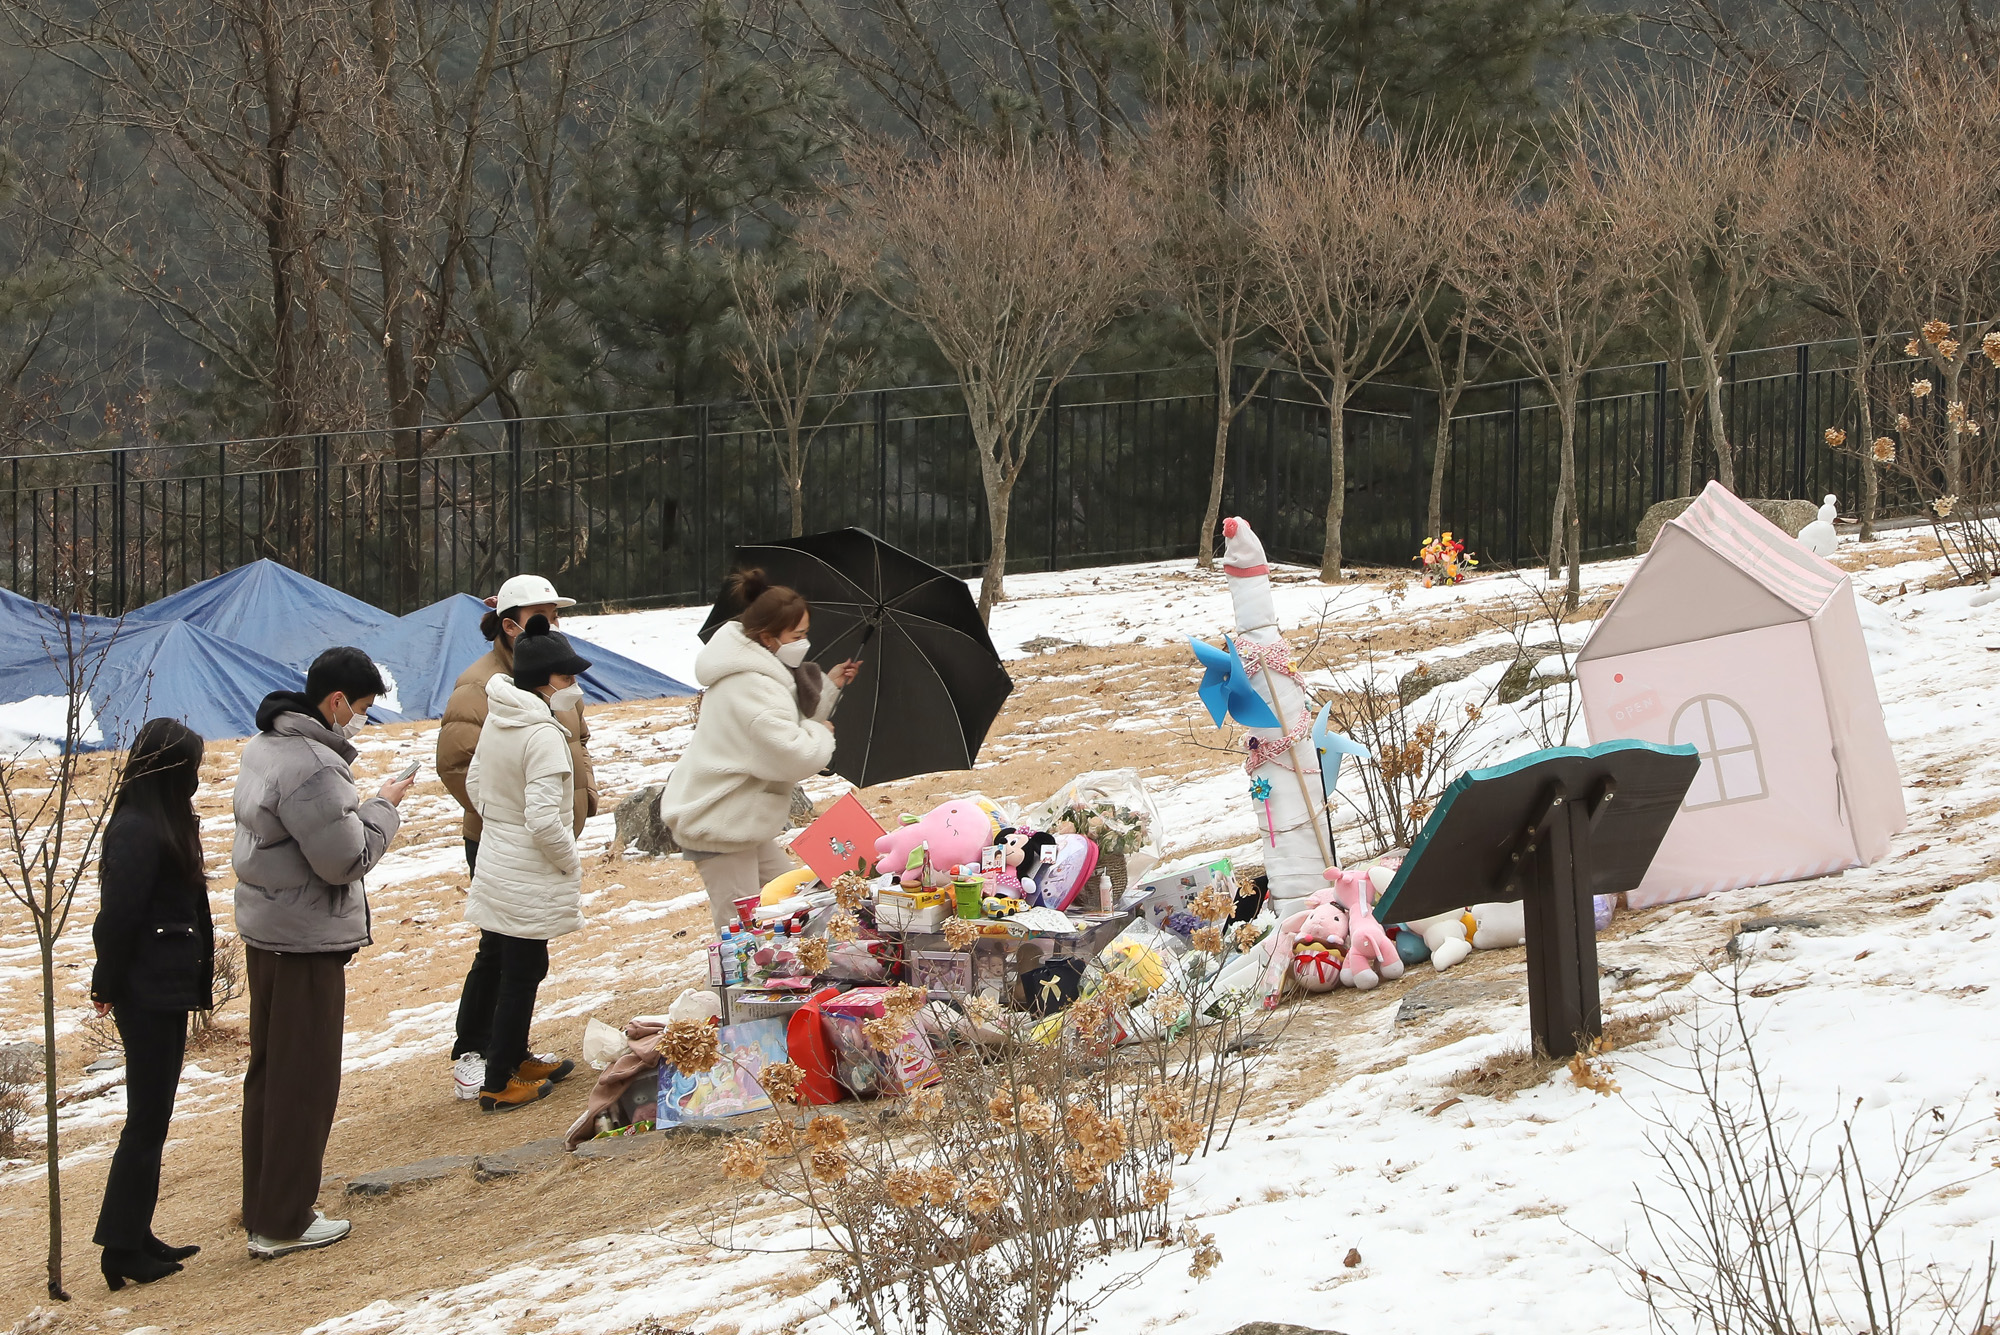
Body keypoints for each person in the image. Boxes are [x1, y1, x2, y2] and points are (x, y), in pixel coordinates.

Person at [232, 648, 411, 1260]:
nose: (361, 720)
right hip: (304, 938)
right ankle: (282, 1221)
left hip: (268, 930)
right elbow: (344, 860)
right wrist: (384, 807)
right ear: (335, 702)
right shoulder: (314, 766)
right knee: (303, 1080)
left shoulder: (265, 744)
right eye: (361, 709)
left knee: (271, 1073)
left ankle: (265, 1203)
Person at [437, 574, 599, 1100]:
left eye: (555, 615)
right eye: (541, 617)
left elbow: (579, 742)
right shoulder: (479, 684)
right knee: (501, 953)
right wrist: (507, 825)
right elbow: (459, 764)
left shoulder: (551, 676)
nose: (552, 624)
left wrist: (585, 795)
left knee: (523, 956)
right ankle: (479, 1055)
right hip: (509, 842)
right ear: (509, 624)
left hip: (534, 837)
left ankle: (512, 1053)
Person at [659, 570, 859, 932]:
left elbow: (785, 719)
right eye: (797, 636)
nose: (805, 643)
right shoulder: (750, 684)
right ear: (768, 637)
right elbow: (790, 751)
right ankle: (729, 990)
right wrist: (821, 734)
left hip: (740, 819)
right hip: (720, 821)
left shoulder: (760, 671)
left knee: (795, 904)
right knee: (744, 930)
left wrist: (829, 686)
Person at [88, 718, 212, 1292]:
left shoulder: (161, 818)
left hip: (163, 983)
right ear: (168, 769)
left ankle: (135, 1233)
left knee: (153, 1117)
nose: (196, 776)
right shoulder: (137, 827)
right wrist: (106, 984)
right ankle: (120, 1248)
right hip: (145, 988)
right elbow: (119, 917)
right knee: (146, 1120)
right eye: (190, 765)